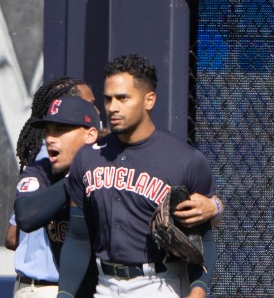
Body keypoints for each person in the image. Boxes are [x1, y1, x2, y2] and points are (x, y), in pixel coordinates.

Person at [58, 54, 218, 298]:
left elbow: (203, 239)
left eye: (123, 98)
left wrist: (198, 290)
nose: (113, 107)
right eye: (108, 98)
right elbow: (78, 237)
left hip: (160, 284)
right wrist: (65, 294)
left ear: (149, 100)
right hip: (104, 285)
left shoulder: (185, 160)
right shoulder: (87, 158)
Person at [13, 96, 102, 298]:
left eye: (60, 130)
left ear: (90, 135)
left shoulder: (108, 173)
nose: (50, 138)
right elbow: (26, 217)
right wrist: (76, 178)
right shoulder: (40, 171)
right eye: (48, 130)